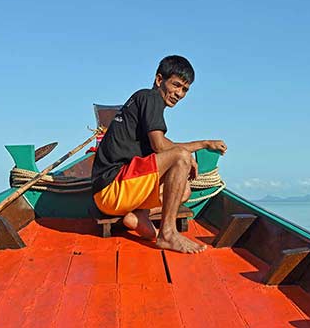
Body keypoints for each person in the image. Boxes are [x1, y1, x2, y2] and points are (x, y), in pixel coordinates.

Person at [92, 55, 227, 254]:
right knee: (180, 157)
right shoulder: (150, 97)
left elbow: (162, 145)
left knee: (184, 190)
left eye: (185, 90)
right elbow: (160, 145)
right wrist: (189, 155)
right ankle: (168, 234)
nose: (179, 93)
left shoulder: (144, 103)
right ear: (159, 80)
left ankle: (138, 215)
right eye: (176, 85)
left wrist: (204, 144)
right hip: (112, 187)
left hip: (110, 196)